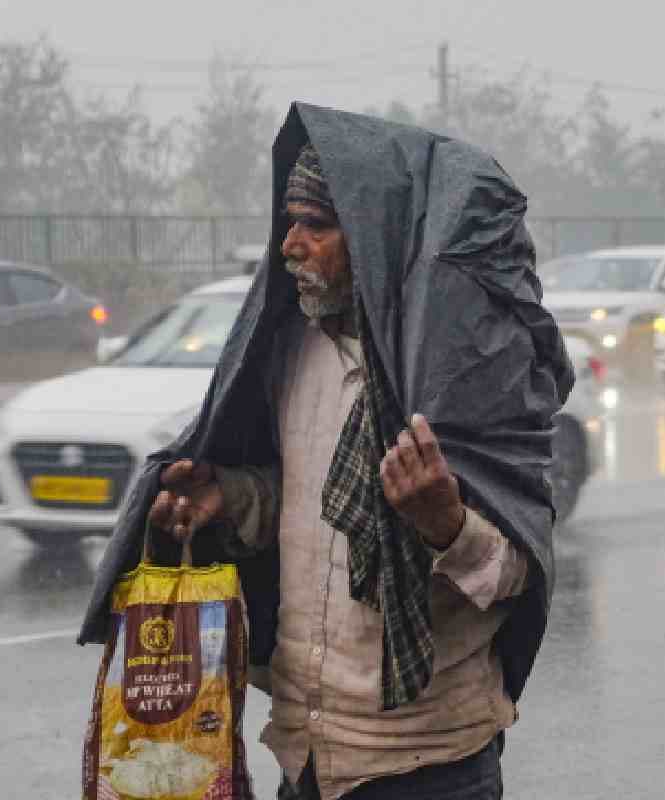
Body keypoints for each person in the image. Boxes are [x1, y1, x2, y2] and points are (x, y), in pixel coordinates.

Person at [79, 103, 574, 800]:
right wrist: (234, 496)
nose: (290, 244)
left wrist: (446, 525)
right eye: (289, 223)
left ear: (373, 239)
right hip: (303, 754)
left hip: (427, 765)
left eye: (316, 225)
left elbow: (519, 570)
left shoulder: (474, 374)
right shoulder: (291, 353)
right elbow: (308, 497)